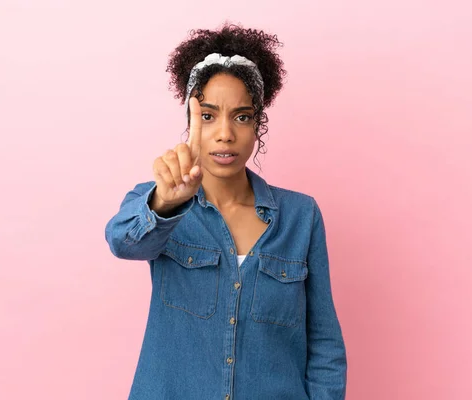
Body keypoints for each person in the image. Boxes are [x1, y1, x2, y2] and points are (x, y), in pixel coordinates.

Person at [105, 23, 347, 400]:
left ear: (258, 124)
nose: (224, 134)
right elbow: (121, 241)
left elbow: (324, 343)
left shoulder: (302, 216)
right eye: (208, 116)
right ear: (189, 121)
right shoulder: (161, 204)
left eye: (242, 116)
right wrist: (167, 203)